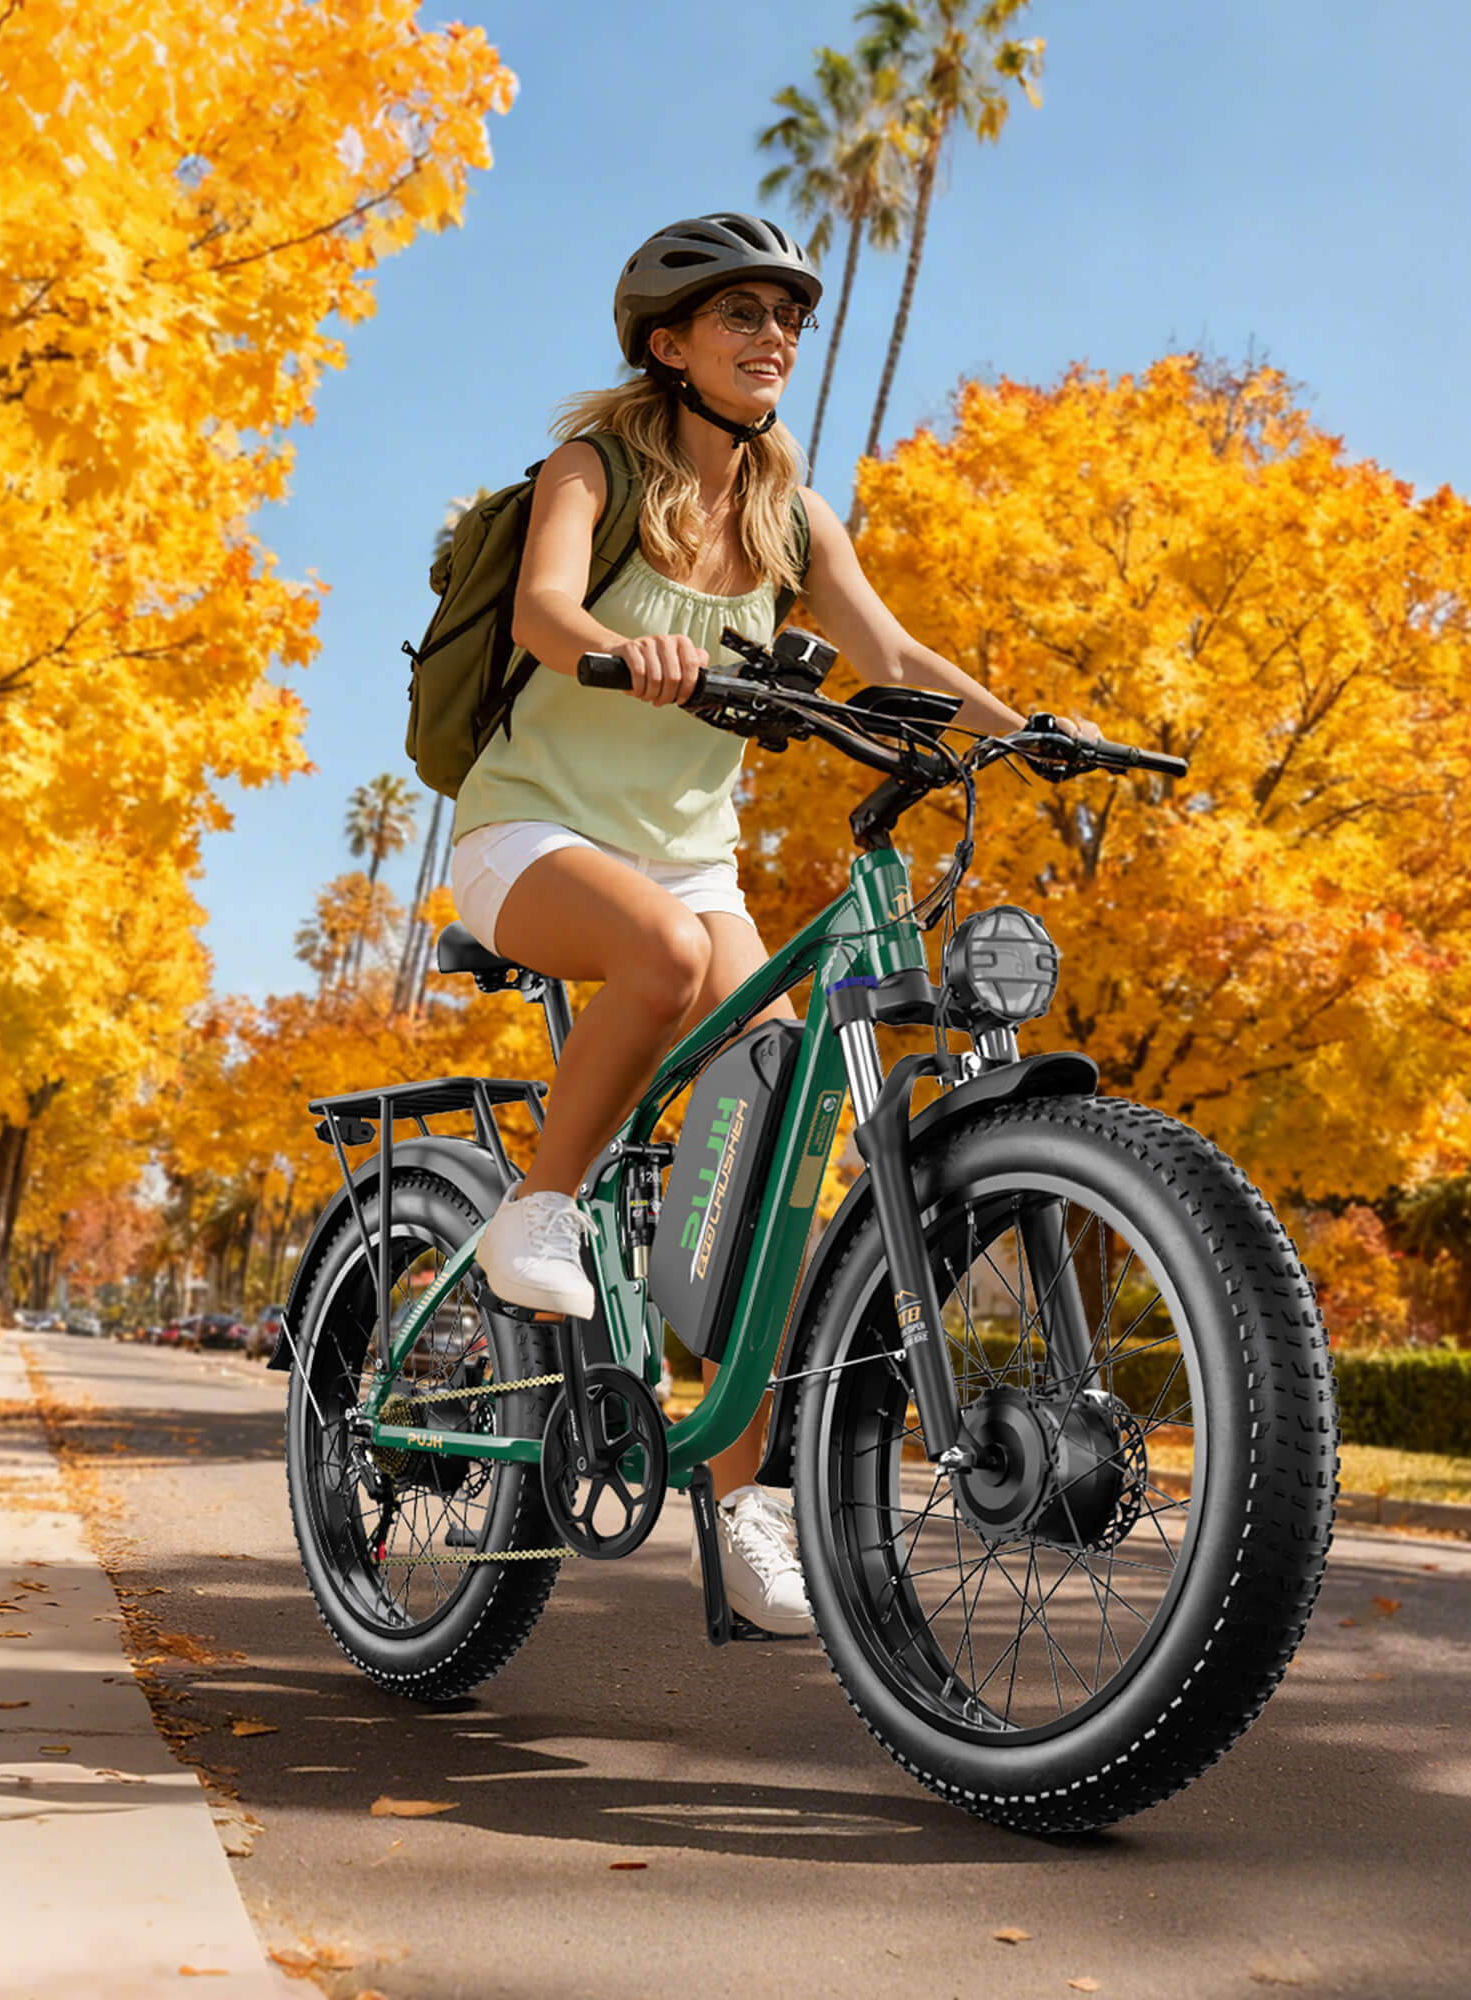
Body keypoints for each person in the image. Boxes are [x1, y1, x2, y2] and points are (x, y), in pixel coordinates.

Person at [450, 212, 1098, 1632]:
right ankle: (534, 1213)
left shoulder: (792, 517)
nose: (772, 340)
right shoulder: (595, 466)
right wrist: (634, 652)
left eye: (787, 319)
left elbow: (898, 656)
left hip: (687, 864)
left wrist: (1029, 733)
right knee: (666, 959)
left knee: (781, 1149)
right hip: (529, 836)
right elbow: (546, 611)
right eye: (739, 316)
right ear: (668, 345)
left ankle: (746, 1496)